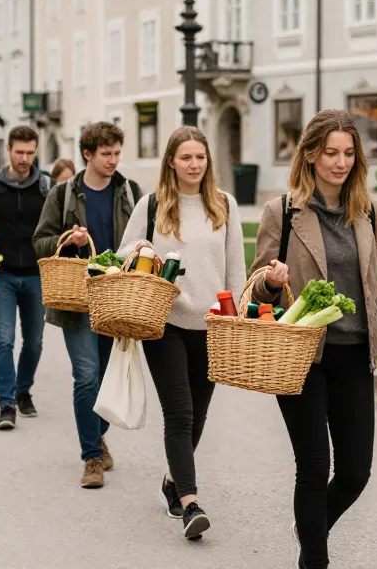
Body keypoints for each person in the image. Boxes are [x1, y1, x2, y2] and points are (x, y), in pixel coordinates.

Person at [250, 110, 377, 569]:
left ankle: (310, 527)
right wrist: (270, 280)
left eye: (348, 153)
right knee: (312, 468)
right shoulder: (282, 212)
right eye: (330, 153)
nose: (340, 162)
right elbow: (256, 286)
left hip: (354, 356)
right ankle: (314, 561)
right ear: (309, 155)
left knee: (354, 473)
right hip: (300, 356)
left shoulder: (369, 212)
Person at [117, 126, 244, 538]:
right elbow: (124, 253)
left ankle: (173, 478)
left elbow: (235, 266)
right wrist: (144, 254)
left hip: (211, 323)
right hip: (164, 320)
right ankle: (190, 503)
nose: (194, 164)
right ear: (171, 161)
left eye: (200, 158)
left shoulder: (224, 205)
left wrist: (237, 315)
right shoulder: (152, 205)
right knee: (180, 411)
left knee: (199, 416)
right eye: (186, 157)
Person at [33, 121, 143, 480]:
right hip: (76, 298)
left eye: (116, 153)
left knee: (107, 378)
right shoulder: (63, 194)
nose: (113, 160)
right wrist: (68, 239)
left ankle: (98, 436)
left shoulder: (130, 192)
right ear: (87, 154)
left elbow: (146, 237)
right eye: (106, 154)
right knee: (86, 376)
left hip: (116, 297)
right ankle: (92, 457)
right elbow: (41, 242)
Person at [0, 125, 51, 431]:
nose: (25, 158)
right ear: (8, 150)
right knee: (3, 340)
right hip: (0, 274)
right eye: (20, 152)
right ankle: (7, 403)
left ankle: (23, 389)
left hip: (35, 275)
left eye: (30, 153)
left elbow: (56, 225)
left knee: (35, 342)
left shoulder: (45, 186)